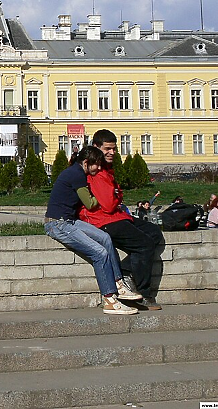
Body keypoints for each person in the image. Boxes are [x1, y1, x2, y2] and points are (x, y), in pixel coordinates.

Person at [44, 145, 139, 315]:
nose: (100, 168)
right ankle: (109, 299)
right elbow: (89, 203)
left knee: (105, 238)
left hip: (69, 221)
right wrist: (103, 198)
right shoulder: (77, 175)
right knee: (99, 253)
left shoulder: (77, 172)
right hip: (58, 224)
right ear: (86, 162)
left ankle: (118, 283)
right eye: (97, 164)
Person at [84, 129, 164, 311]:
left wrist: (116, 196)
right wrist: (116, 196)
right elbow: (108, 204)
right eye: (107, 149)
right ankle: (143, 295)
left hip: (118, 216)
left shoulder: (107, 169)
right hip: (103, 221)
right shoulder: (96, 170)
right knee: (144, 244)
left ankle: (125, 271)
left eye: (114, 149)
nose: (112, 153)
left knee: (154, 233)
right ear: (96, 147)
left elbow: (114, 200)